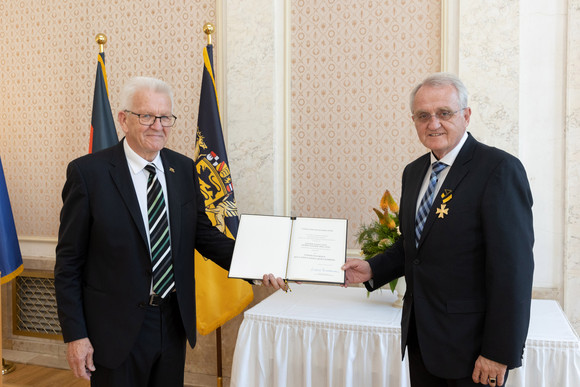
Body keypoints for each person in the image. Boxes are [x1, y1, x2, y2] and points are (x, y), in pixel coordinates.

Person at [54, 76, 280, 386]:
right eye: (146, 115)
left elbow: (205, 236)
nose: (157, 125)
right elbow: (69, 263)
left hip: (172, 321)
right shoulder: (88, 174)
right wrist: (76, 335)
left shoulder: (184, 169)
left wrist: (259, 264)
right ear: (123, 119)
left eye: (165, 117)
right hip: (114, 330)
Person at [342, 73, 534, 387]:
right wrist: (371, 268)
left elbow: (513, 270)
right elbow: (414, 245)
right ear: (414, 120)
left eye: (444, 113)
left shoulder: (498, 170)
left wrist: (499, 352)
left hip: (473, 351)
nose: (433, 123)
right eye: (423, 116)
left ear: (466, 115)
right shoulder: (414, 172)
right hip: (421, 341)